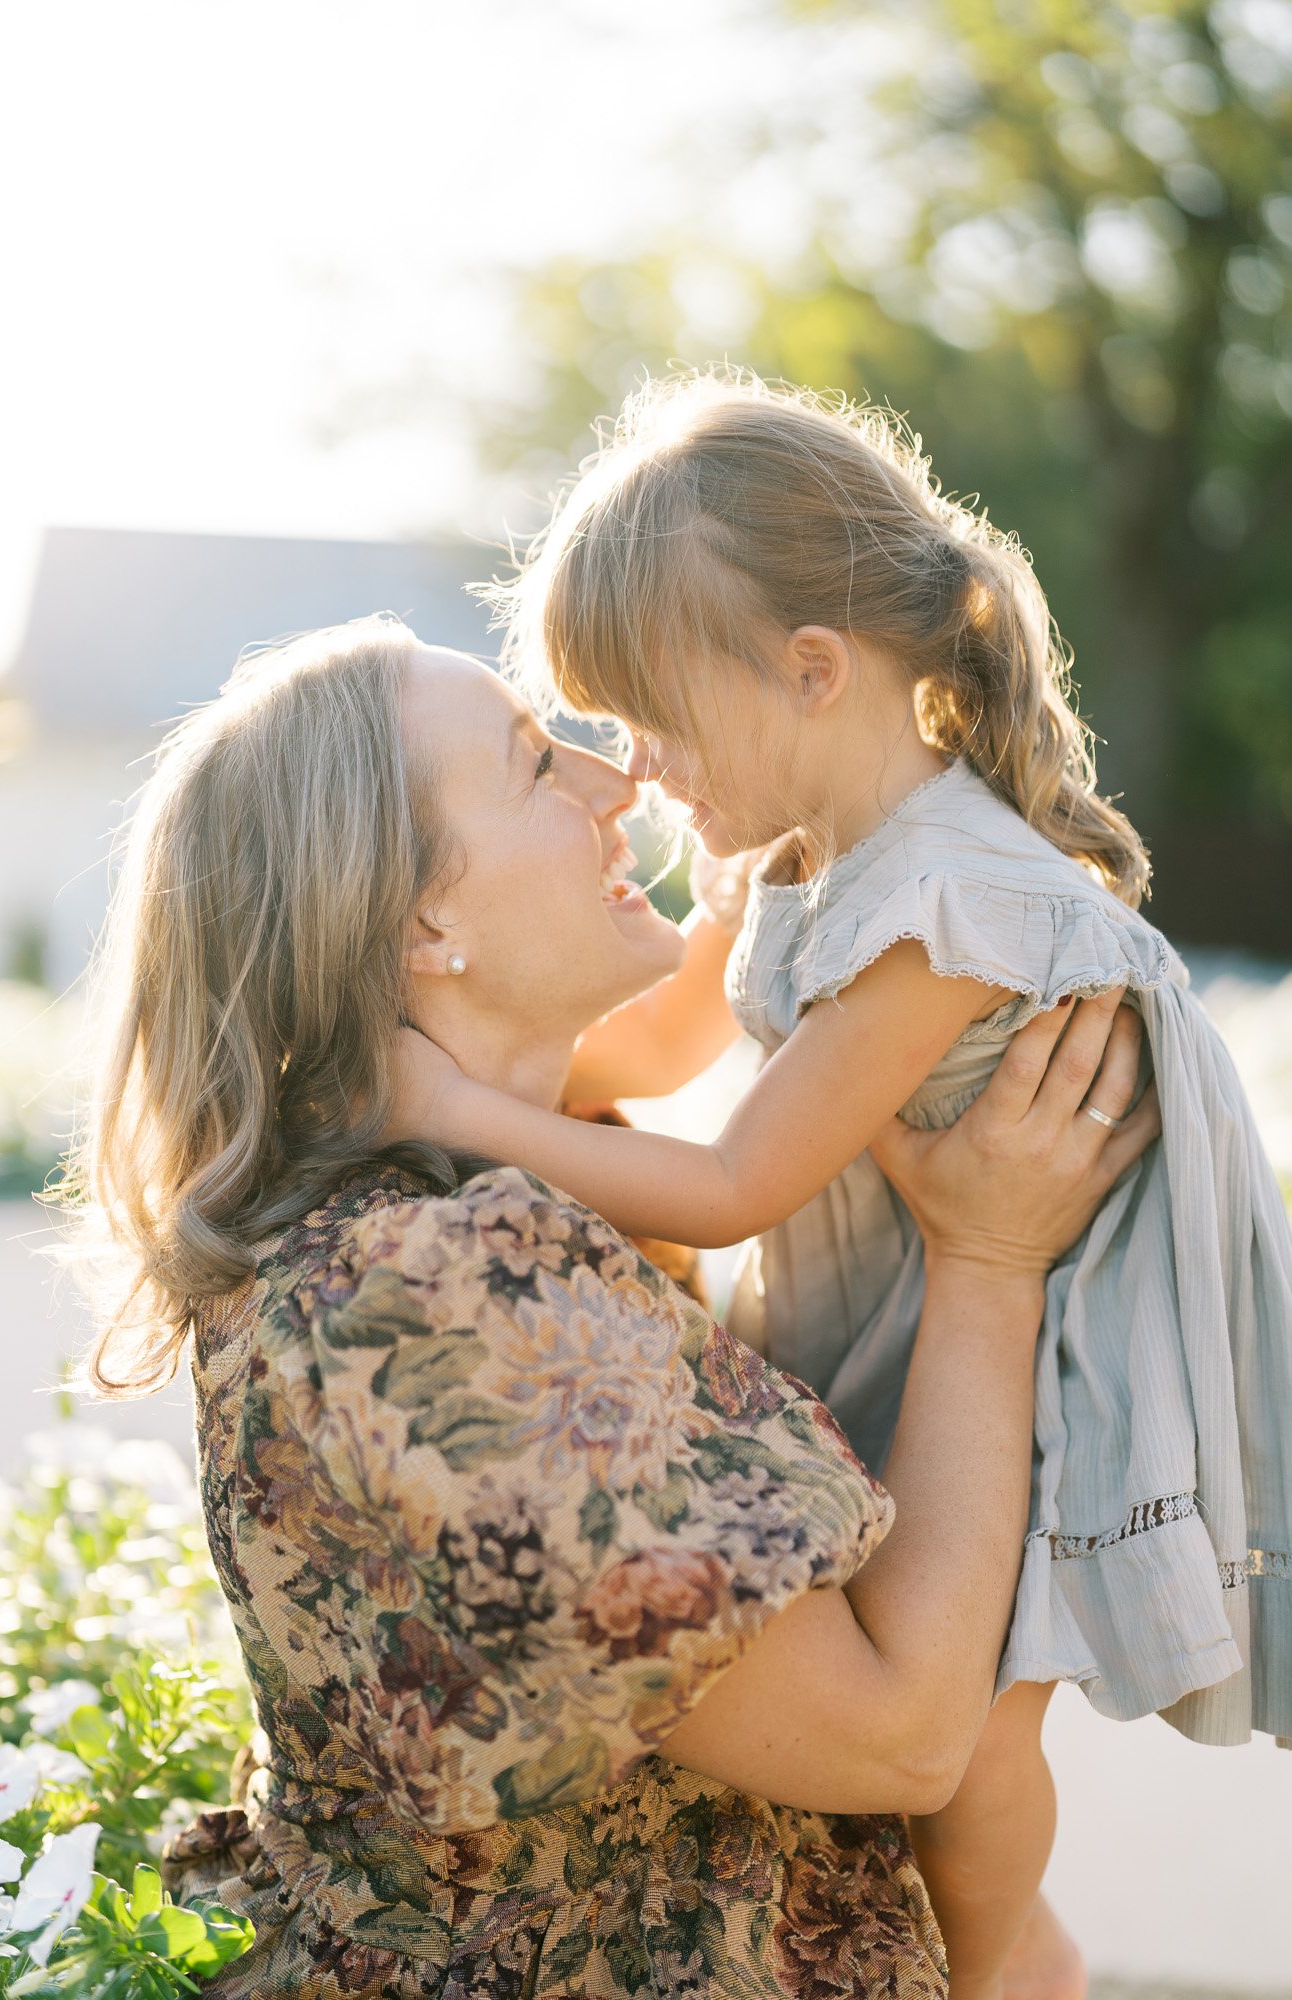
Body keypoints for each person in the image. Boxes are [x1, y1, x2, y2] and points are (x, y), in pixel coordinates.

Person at [66, 617, 1156, 1998]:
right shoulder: (425, 1298)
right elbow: (896, 1737)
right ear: (421, 924)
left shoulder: (517, 1162)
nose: (614, 787)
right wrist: (992, 1260)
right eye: (534, 768)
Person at [401, 373, 1292, 2000]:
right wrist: (525, 1091)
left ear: (812, 673)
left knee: (966, 1740)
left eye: (654, 721)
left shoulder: (944, 907)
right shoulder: (797, 857)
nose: (640, 772)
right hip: (909, 1296)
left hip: (1056, 1361)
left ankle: (1012, 1953)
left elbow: (735, 1179)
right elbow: (663, 1050)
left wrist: (450, 1100)